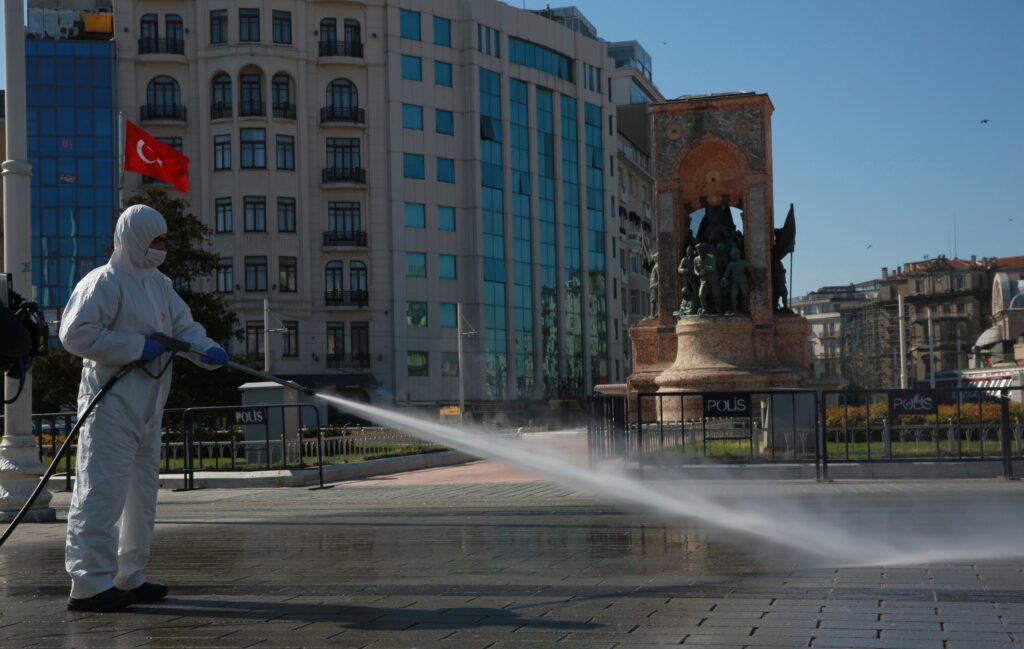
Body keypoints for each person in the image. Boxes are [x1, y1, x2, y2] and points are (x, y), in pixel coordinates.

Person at [59, 205, 230, 612]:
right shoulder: (103, 282)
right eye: (155, 240)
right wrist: (135, 347)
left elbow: (183, 327)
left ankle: (128, 574)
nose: (161, 248)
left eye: (163, 240)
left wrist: (204, 348)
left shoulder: (159, 284)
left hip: (149, 407)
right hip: (111, 404)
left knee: (141, 496)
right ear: (133, 239)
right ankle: (88, 584)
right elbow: (75, 334)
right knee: (100, 492)